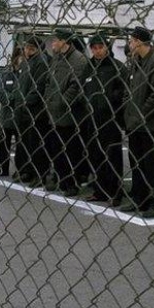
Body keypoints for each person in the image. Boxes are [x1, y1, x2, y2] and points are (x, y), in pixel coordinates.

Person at [120, 25, 154, 218]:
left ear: (139, 41)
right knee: (137, 163)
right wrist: (128, 108)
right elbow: (129, 87)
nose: (129, 44)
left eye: (131, 40)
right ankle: (139, 199)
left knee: (153, 165)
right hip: (135, 123)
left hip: (152, 124)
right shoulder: (135, 61)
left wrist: (140, 113)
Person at [43, 27, 89, 196]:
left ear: (64, 41)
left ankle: (72, 183)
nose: (53, 43)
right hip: (54, 113)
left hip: (70, 115)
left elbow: (77, 86)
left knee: (72, 150)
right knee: (56, 149)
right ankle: (62, 180)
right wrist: (50, 100)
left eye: (55, 40)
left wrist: (62, 102)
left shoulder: (79, 60)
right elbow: (48, 81)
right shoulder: (56, 58)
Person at [82, 33, 127, 204]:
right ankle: (100, 190)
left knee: (112, 156)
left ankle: (116, 191)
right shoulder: (89, 67)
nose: (97, 51)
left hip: (110, 120)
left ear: (107, 47)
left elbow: (123, 91)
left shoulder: (117, 67)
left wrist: (111, 101)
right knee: (95, 155)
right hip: (92, 119)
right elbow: (82, 88)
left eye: (100, 47)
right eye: (94, 48)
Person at [12, 36, 49, 186]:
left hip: (34, 111)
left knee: (36, 145)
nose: (27, 50)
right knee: (24, 143)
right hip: (23, 110)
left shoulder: (41, 62)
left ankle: (39, 174)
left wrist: (26, 102)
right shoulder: (26, 62)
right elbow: (20, 83)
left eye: (30, 48)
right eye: (26, 47)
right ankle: (26, 170)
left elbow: (38, 87)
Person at [0, 46, 23, 178]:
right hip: (7, 115)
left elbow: (22, 91)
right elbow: (0, 90)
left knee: (20, 145)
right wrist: (11, 99)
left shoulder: (25, 73)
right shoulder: (6, 73)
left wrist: (15, 98)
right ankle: (3, 168)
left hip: (20, 115)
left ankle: (20, 169)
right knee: (4, 143)